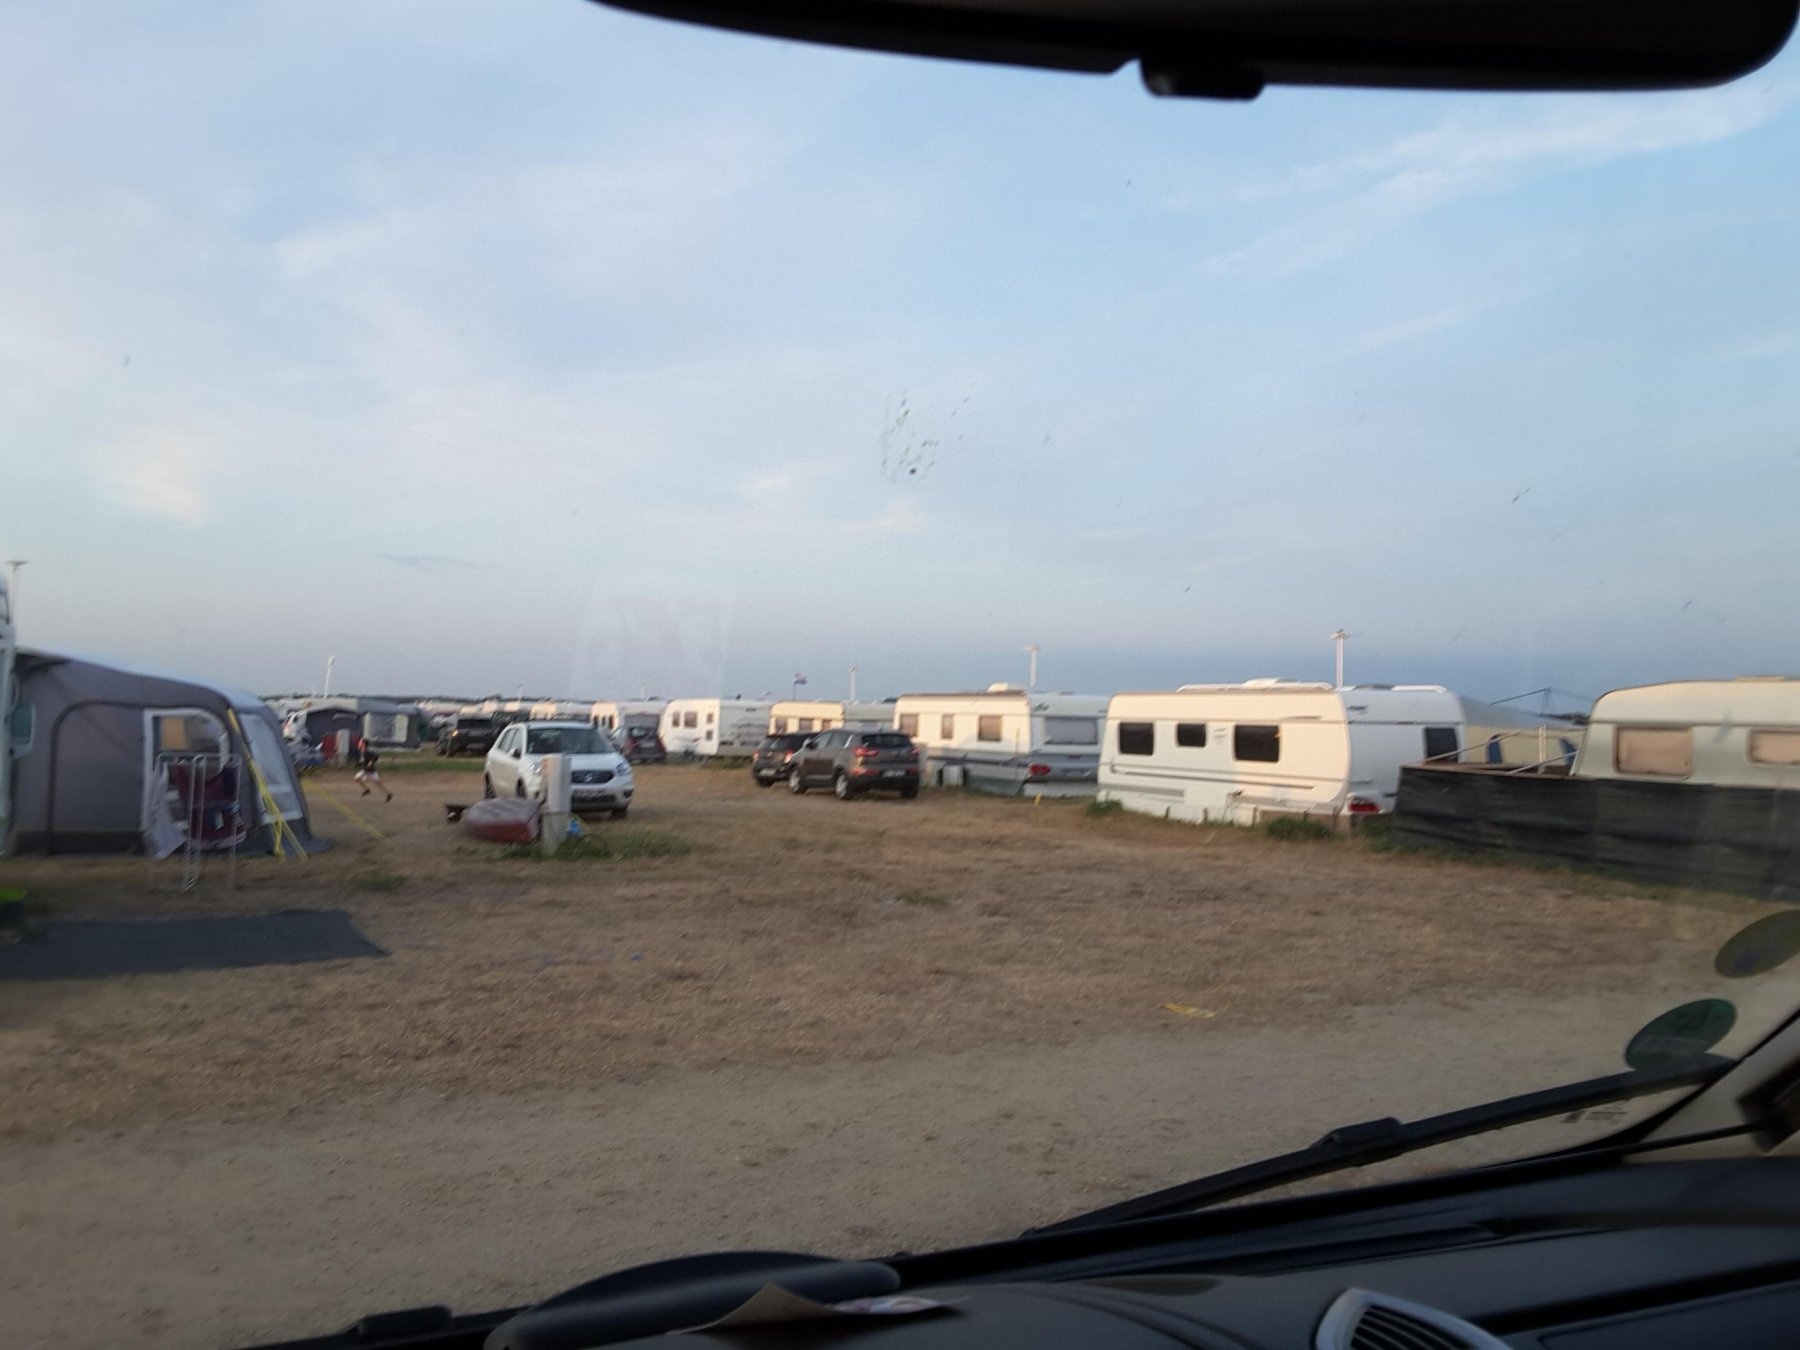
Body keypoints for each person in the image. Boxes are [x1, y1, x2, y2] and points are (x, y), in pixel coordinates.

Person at [354, 736, 392, 801]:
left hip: (370, 771)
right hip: (365, 770)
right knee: (356, 779)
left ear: (363, 744)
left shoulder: (366, 752)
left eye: (360, 742)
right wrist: (361, 763)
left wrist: (371, 763)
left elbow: (376, 756)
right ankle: (367, 790)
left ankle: (388, 794)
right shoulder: (363, 752)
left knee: (377, 783)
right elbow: (366, 760)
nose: (359, 743)